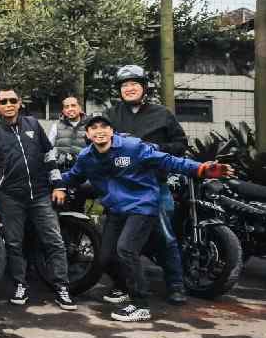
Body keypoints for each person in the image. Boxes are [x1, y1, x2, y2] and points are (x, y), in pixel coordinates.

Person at [62, 114, 233, 322]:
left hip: (141, 205)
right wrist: (51, 183)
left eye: (104, 127)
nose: (99, 131)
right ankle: (124, 287)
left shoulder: (133, 147)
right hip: (116, 209)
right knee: (105, 256)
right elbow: (73, 176)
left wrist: (201, 169)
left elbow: (168, 160)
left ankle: (140, 304)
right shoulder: (87, 157)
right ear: (88, 134)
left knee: (126, 249)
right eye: (94, 128)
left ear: (111, 131)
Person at [0, 88, 76, 310]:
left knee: (54, 241)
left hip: (40, 194)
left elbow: (49, 156)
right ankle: (20, 285)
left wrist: (58, 185)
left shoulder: (33, 124)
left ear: (19, 103)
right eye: (4, 101)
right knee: (15, 244)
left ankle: (62, 287)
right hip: (10, 197)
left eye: (13, 100)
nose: (9, 104)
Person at [104, 65, 189, 305]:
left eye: (134, 84)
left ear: (144, 87)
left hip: (154, 187)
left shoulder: (162, 114)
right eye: (124, 85)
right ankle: (122, 284)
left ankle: (176, 285)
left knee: (165, 238)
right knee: (114, 245)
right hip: (120, 188)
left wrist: (157, 148)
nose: (129, 89)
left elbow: (181, 145)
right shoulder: (111, 115)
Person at [47, 95, 90, 212]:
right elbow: (48, 148)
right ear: (63, 110)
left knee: (79, 202)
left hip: (82, 171)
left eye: (73, 105)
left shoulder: (89, 126)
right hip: (62, 170)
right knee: (58, 203)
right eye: (66, 107)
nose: (70, 109)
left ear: (80, 108)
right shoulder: (56, 126)